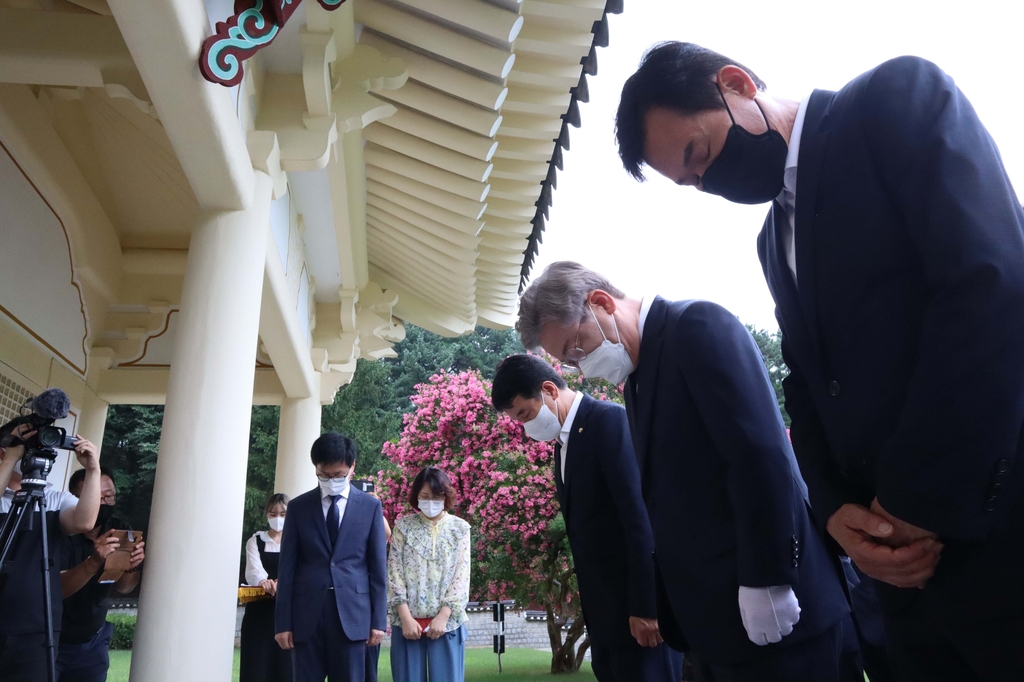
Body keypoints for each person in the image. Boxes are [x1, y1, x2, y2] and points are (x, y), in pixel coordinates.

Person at [615, 42, 1024, 681]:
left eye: (698, 154)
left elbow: (991, 286)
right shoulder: (771, 241)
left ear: (736, 83)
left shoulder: (892, 103)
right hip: (897, 586)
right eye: (690, 183)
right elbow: (805, 385)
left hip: (995, 540)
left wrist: (915, 504)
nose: (707, 182)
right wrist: (834, 510)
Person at [516, 261, 858, 681]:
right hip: (716, 626)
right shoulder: (639, 381)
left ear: (601, 303)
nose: (580, 368)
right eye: (568, 362)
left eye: (575, 349)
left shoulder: (696, 326)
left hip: (778, 611)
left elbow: (759, 456)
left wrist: (767, 579)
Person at [491, 354, 684, 682]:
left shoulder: (608, 422)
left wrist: (647, 606)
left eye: (525, 414)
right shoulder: (563, 445)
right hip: (606, 620)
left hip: (639, 616)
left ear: (549, 389)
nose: (526, 427)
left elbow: (640, 520)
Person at [275, 432, 387, 682]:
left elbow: (378, 568)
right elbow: (287, 568)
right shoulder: (298, 508)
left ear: (352, 466)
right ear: (315, 468)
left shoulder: (370, 508)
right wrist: (283, 623)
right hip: (306, 617)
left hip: (353, 617)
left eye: (338, 475)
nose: (331, 480)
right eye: (324, 475)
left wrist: (379, 620)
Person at [0, 423, 102, 682]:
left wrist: (92, 470)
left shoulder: (54, 499)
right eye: (27, 445)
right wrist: (11, 456)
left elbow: (84, 522)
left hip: (37, 624)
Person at [56, 466, 144, 682]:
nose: (104, 503)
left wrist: (131, 565)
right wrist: (94, 560)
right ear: (76, 499)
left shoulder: (118, 529)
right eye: (98, 497)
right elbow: (56, 590)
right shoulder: (58, 531)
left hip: (94, 641)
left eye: (110, 497)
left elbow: (124, 587)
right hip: (52, 641)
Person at [386, 467, 470, 682]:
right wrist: (405, 617)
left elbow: (461, 575)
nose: (430, 502)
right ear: (416, 496)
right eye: (424, 497)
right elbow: (394, 572)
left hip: (447, 623)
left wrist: (444, 615)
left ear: (446, 496)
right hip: (407, 624)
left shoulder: (460, 529)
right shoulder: (403, 527)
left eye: (436, 497)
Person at [241, 493, 292, 682]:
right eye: (273, 513)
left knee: (286, 668)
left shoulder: (296, 541)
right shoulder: (255, 541)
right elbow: (254, 569)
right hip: (259, 614)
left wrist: (283, 583)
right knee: (257, 667)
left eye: (283, 514)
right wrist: (264, 581)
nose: (277, 518)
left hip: (287, 614)